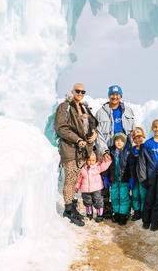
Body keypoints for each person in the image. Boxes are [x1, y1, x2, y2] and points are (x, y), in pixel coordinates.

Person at [55, 83, 98, 227]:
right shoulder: (65, 106)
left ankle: (72, 206)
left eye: (83, 91)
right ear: (73, 91)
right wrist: (77, 139)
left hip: (83, 151)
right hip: (70, 149)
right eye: (78, 91)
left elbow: (92, 125)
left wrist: (94, 135)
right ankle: (68, 210)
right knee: (70, 180)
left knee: (75, 180)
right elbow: (61, 127)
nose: (80, 93)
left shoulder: (84, 107)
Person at [95, 85, 135, 218]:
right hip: (107, 151)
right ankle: (107, 210)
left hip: (124, 152)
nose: (115, 96)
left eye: (117, 94)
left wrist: (133, 149)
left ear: (121, 96)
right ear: (109, 96)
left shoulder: (128, 111)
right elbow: (98, 134)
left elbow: (132, 132)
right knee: (106, 180)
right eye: (112, 94)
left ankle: (124, 211)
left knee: (123, 180)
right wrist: (104, 151)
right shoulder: (101, 112)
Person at [103, 132, 135, 226]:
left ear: (125, 142)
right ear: (114, 142)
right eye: (117, 140)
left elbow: (131, 166)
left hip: (124, 180)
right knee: (114, 197)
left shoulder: (128, 152)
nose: (119, 142)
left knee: (124, 197)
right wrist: (105, 176)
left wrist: (132, 178)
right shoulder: (111, 151)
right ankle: (116, 213)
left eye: (122, 141)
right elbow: (107, 165)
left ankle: (123, 214)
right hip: (113, 180)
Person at [75, 152, 112, 223]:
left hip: (96, 189)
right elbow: (80, 178)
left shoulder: (97, 167)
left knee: (98, 202)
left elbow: (104, 166)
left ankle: (99, 215)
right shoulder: (83, 168)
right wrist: (77, 186)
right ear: (86, 160)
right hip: (85, 190)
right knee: (87, 202)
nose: (91, 162)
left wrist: (108, 160)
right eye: (89, 160)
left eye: (93, 160)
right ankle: (89, 214)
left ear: (96, 160)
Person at [131, 127, 147, 221]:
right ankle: (137, 212)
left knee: (143, 195)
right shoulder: (132, 150)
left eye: (140, 137)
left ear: (143, 137)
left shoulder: (146, 149)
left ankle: (143, 211)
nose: (138, 139)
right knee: (135, 194)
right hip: (134, 177)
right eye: (135, 138)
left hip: (143, 177)